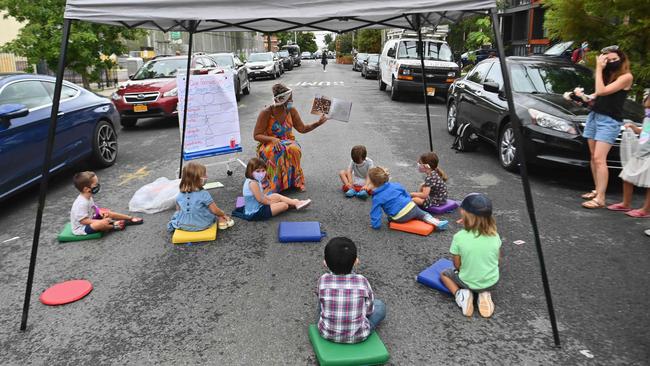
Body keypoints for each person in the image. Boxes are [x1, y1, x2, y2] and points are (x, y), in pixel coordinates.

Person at [581, 46, 634, 209]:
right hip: (594, 116)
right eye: (607, 59)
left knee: (599, 158)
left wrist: (599, 67)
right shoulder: (607, 74)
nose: (610, 62)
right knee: (593, 156)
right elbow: (596, 95)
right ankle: (597, 190)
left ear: (622, 59)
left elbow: (602, 91)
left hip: (609, 121)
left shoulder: (626, 77)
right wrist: (582, 96)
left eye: (614, 60)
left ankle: (601, 199)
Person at [254, 83, 329, 193]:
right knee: (276, 150)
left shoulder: (291, 111)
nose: (292, 101)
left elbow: (302, 129)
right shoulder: (266, 112)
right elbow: (256, 135)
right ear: (282, 100)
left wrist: (317, 123)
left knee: (294, 149)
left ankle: (294, 182)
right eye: (290, 99)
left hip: (287, 141)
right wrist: (272, 139)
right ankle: (274, 184)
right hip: (268, 142)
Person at [441, 193, 501, 318]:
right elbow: (497, 259)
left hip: (467, 281)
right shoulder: (495, 235)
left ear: (465, 215)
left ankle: (461, 295)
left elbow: (457, 265)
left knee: (444, 274)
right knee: (485, 270)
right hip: (492, 282)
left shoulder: (459, 237)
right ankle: (484, 294)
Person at [317, 237, 386, 343]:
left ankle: (331, 322)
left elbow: (321, 303)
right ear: (356, 262)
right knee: (380, 306)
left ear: (325, 262)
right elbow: (369, 311)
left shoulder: (323, 280)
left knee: (320, 301)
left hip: (326, 333)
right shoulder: (362, 281)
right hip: (359, 335)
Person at [607, 96, 650, 218]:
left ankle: (646, 209)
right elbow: (647, 131)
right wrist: (635, 129)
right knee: (627, 176)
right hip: (641, 151)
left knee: (649, 183)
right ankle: (626, 203)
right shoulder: (648, 117)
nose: (647, 109)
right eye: (646, 108)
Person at [367, 167, 448, 230]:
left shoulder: (377, 197)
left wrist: (375, 225)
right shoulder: (396, 185)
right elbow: (405, 193)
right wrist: (409, 201)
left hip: (400, 217)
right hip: (412, 207)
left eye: (369, 182)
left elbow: (375, 213)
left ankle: (401, 217)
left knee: (390, 218)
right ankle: (436, 222)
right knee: (423, 214)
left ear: (374, 184)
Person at [70, 171, 143, 235]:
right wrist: (100, 221)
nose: (98, 185)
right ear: (86, 189)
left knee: (107, 213)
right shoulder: (81, 203)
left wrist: (99, 212)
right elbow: (83, 221)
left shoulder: (88, 197)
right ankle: (114, 226)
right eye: (96, 184)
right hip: (82, 228)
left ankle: (130, 218)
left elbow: (93, 207)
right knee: (100, 224)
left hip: (90, 218)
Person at [238, 158, 311, 221]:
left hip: (259, 205)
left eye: (263, 170)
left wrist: (271, 199)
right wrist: (272, 202)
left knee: (276, 195)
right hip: (255, 212)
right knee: (284, 205)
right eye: (258, 171)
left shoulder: (256, 180)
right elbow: (261, 200)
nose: (261, 173)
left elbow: (262, 194)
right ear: (250, 171)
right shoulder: (253, 183)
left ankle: (296, 203)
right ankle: (294, 203)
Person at [168, 162, 233, 232]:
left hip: (183, 224)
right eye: (204, 175)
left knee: (178, 214)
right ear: (196, 179)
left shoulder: (180, 193)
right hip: (202, 224)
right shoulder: (203, 193)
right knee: (217, 213)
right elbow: (215, 210)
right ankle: (222, 220)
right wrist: (223, 214)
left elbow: (178, 209)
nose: (207, 176)